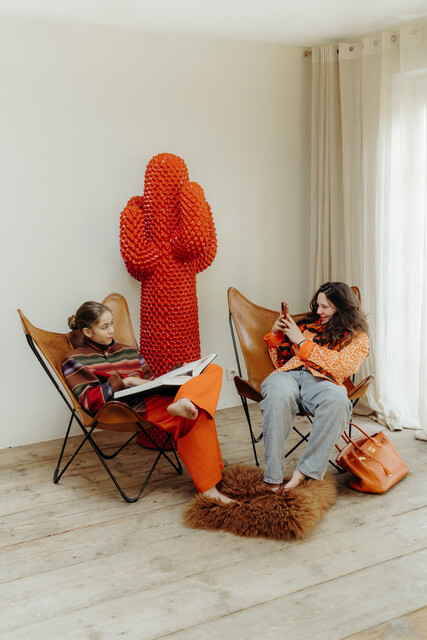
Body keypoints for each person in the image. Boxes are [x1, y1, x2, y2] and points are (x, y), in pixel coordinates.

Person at [62, 301, 235, 505]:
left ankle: (184, 399)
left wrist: (178, 374)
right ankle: (210, 488)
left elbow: (150, 380)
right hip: (127, 408)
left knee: (213, 369)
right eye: (104, 327)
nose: (112, 331)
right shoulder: (74, 359)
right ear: (87, 332)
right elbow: (89, 400)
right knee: (197, 412)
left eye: (112, 324)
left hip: (152, 396)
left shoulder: (127, 350)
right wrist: (124, 381)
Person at [260, 282, 369, 490]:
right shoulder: (308, 325)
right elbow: (282, 362)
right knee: (277, 396)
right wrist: (276, 335)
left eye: (325, 307)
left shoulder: (358, 338)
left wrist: (301, 343)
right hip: (289, 375)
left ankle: (303, 474)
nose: (319, 311)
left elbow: (341, 367)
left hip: (323, 382)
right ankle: (272, 480)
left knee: (338, 401)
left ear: (342, 306)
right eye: (317, 305)